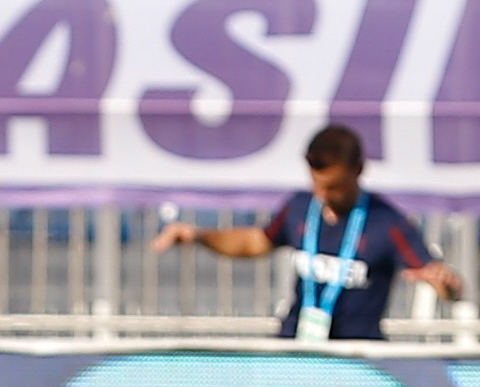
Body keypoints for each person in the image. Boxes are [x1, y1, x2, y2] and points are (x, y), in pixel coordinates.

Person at [151, 123, 462, 341]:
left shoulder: (387, 223)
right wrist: (199, 236)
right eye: (317, 184)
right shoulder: (300, 208)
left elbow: (436, 277)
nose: (323, 195)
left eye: (334, 187)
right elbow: (255, 242)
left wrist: (447, 285)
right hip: (297, 348)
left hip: (358, 358)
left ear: (358, 170)